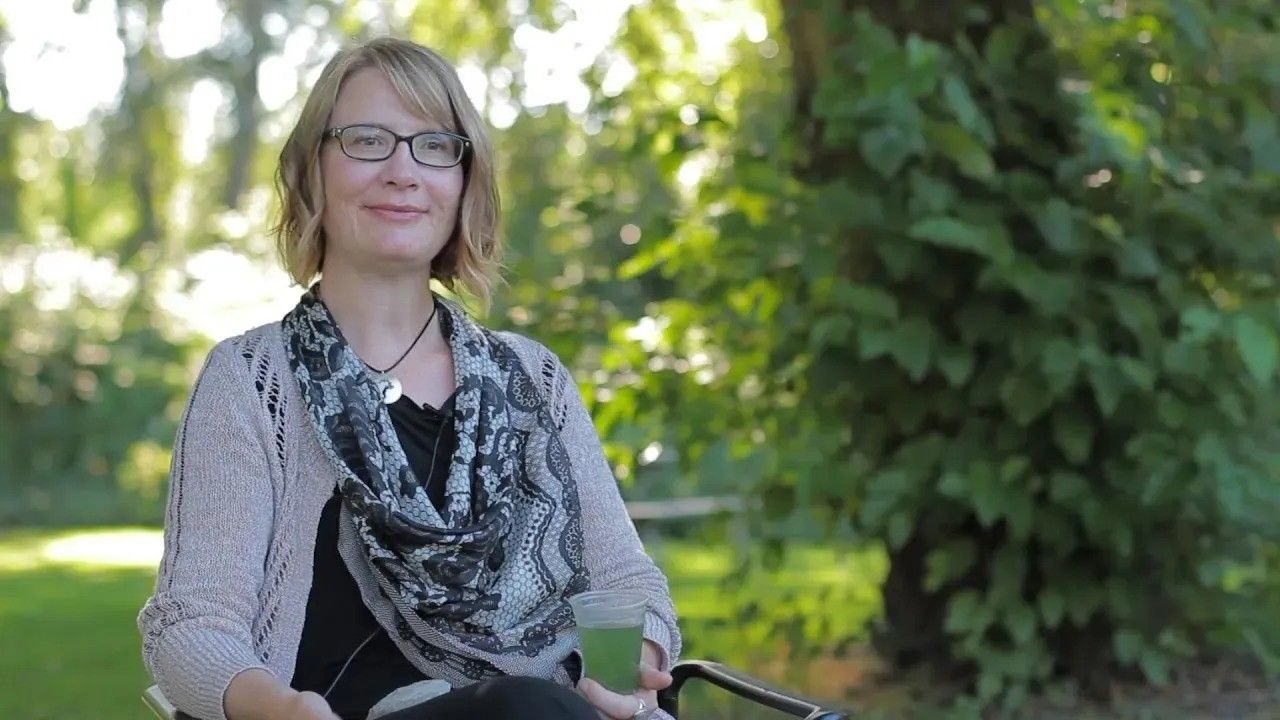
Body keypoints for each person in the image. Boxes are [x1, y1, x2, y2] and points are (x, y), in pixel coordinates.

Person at [138, 37, 680, 720]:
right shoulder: (249, 382)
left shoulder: (533, 379)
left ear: (464, 181)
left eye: (434, 145)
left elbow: (628, 583)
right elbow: (191, 623)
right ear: (313, 171)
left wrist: (628, 664)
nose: (403, 170)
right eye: (368, 140)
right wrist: (279, 709)